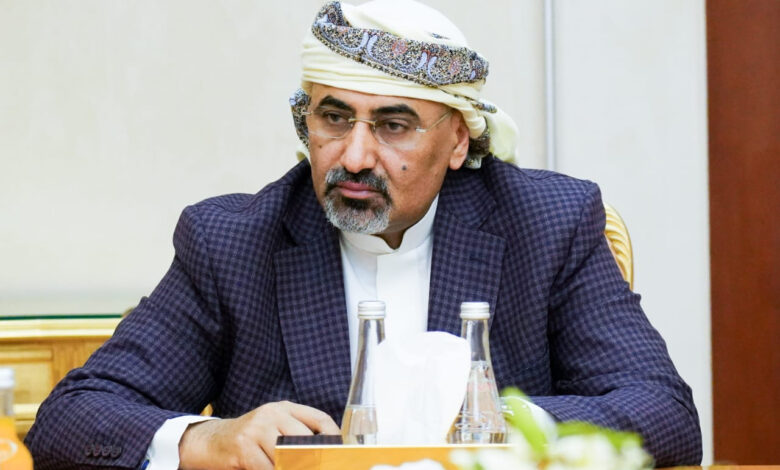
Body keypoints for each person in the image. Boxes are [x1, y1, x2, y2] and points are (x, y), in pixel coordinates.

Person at [25, 1, 702, 469]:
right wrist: (205, 439)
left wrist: (505, 430)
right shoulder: (234, 241)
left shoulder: (545, 224)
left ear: (458, 140)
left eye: (393, 126)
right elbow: (72, 419)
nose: (353, 156)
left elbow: (665, 414)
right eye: (333, 119)